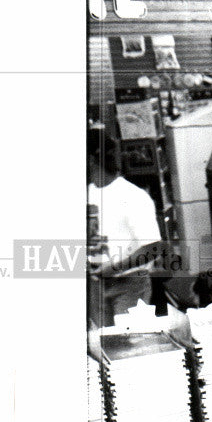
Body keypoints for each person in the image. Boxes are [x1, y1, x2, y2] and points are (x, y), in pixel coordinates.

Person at [87, 124, 163, 324]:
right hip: (95, 284)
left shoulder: (133, 196)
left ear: (91, 159)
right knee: (101, 349)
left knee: (129, 346)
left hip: (130, 285)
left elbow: (153, 248)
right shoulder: (89, 192)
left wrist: (115, 267)